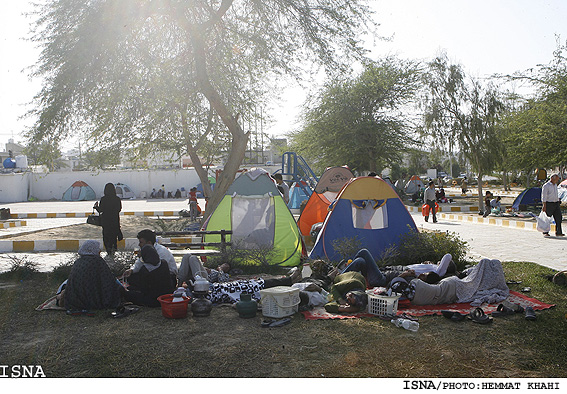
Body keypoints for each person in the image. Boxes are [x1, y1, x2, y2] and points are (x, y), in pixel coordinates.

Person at [390, 258, 509, 307]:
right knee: (432, 293)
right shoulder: (483, 280)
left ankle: (400, 290)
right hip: (451, 287)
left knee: (431, 293)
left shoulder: (478, 278)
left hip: (450, 287)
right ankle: (400, 290)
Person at [62, 240, 122, 313]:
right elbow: (108, 280)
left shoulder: (78, 262)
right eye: (98, 249)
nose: (99, 251)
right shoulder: (97, 261)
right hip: (92, 299)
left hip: (75, 300)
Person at [94, 183, 122, 256]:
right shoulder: (117, 199)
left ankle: (108, 251)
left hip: (106, 222)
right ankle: (113, 251)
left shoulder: (104, 199)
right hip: (115, 221)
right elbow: (119, 209)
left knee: (107, 237)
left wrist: (96, 207)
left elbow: (101, 210)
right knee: (113, 237)